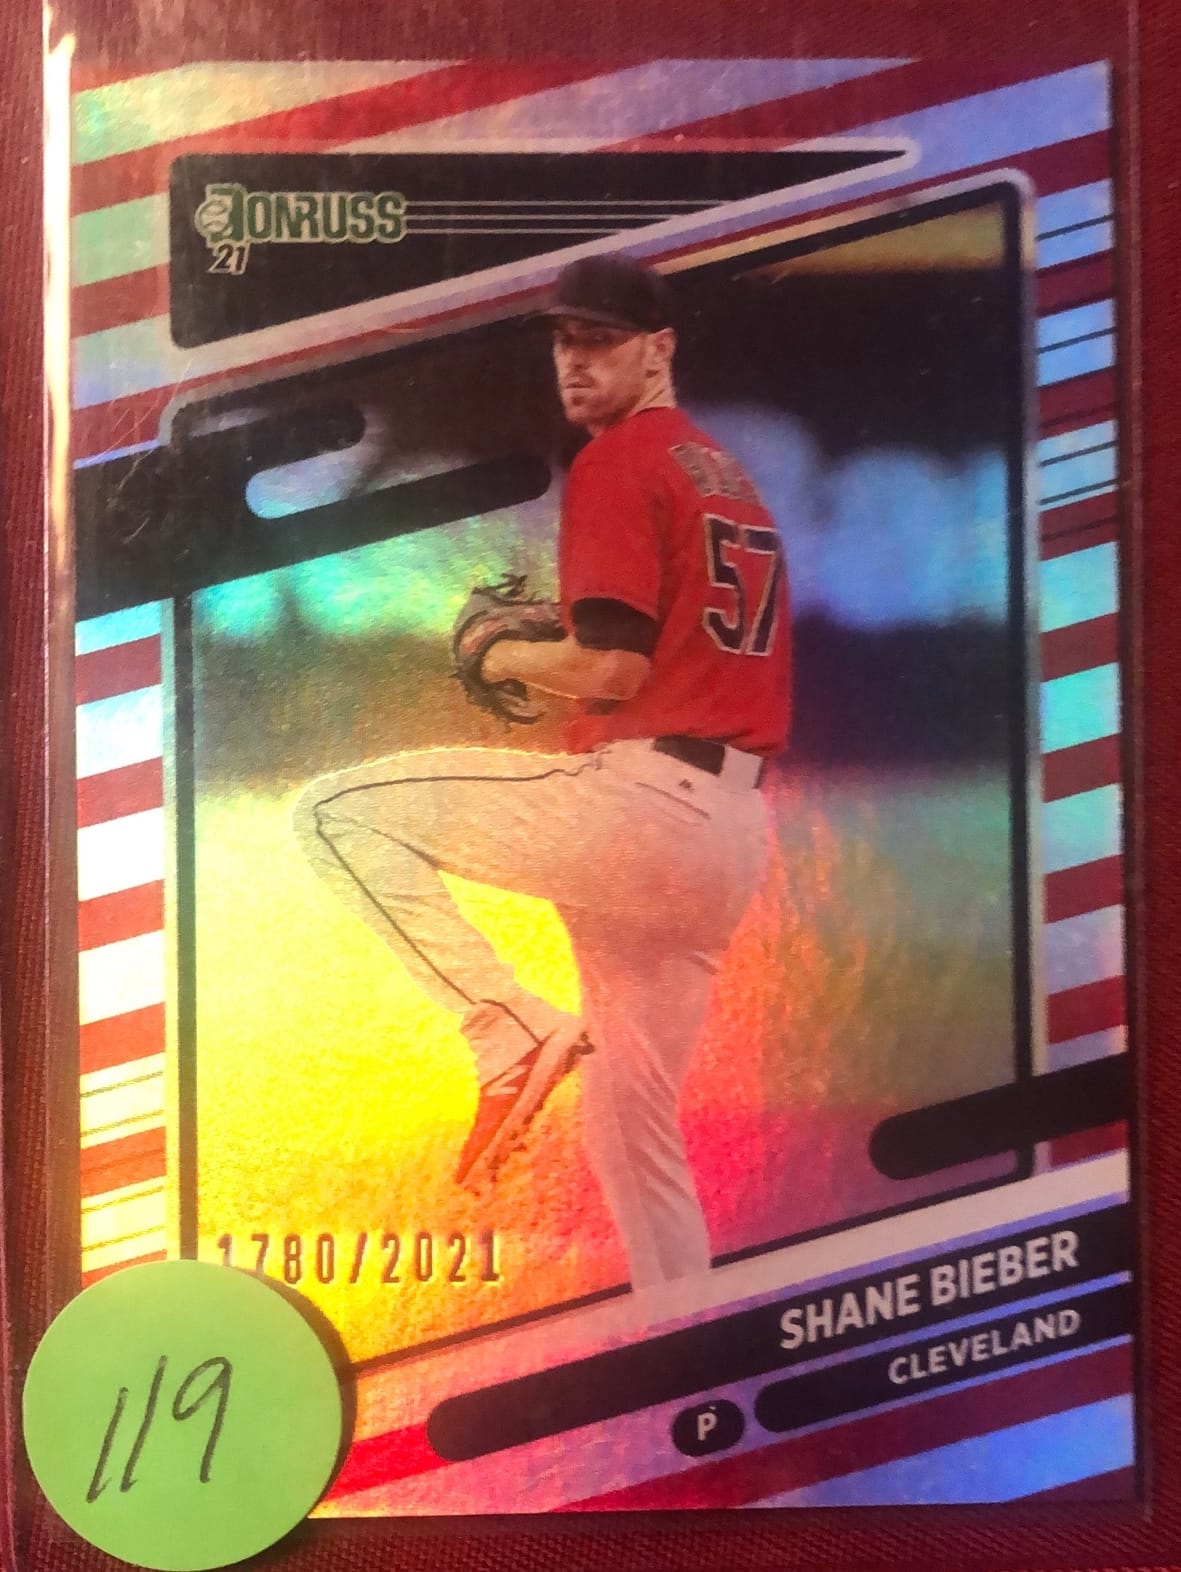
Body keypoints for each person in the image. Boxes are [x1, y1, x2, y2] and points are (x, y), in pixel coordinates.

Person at [293, 253, 791, 1290]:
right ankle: (683, 1328)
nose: (574, 359)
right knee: (632, 1129)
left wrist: (498, 654)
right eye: (565, 340)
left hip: (644, 806)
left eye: (599, 340)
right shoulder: (725, 475)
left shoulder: (620, 460)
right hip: (728, 839)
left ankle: (508, 1029)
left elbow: (610, 670)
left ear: (659, 349)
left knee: (333, 816)